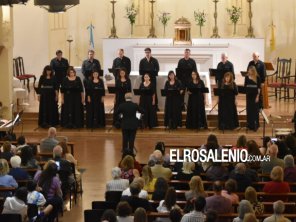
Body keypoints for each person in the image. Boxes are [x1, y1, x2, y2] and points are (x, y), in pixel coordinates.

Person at [244, 66, 261, 131]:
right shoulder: (246, 77)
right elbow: (245, 86)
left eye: (250, 70)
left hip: (255, 96)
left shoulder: (257, 77)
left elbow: (259, 88)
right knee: (249, 110)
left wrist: (257, 96)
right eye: (248, 70)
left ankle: (255, 125)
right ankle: (249, 125)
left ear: (253, 71)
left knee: (255, 111)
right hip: (249, 96)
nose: (249, 71)